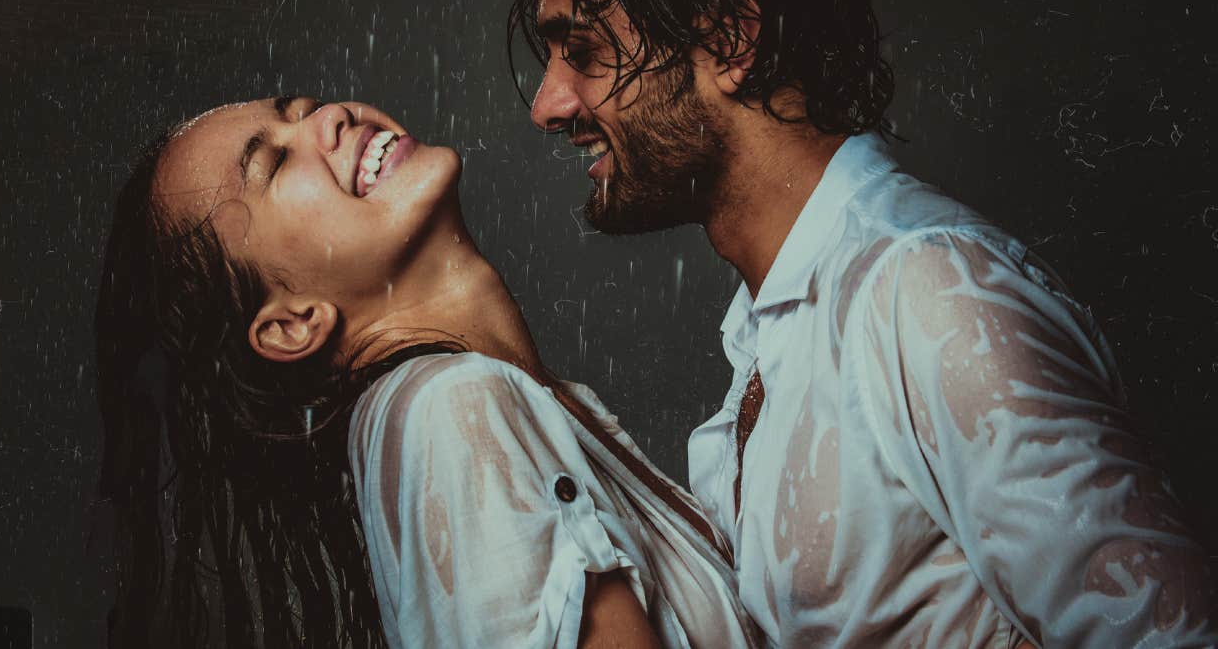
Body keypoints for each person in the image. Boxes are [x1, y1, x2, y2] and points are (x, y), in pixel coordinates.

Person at [503, 0, 1218, 645]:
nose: (548, 103)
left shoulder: (930, 295)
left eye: (581, 50)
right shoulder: (774, 325)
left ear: (730, 42)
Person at [94, 94, 762, 648]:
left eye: (298, 110)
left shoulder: (500, 405)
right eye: (273, 162)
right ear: (293, 323)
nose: (327, 118)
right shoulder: (452, 410)